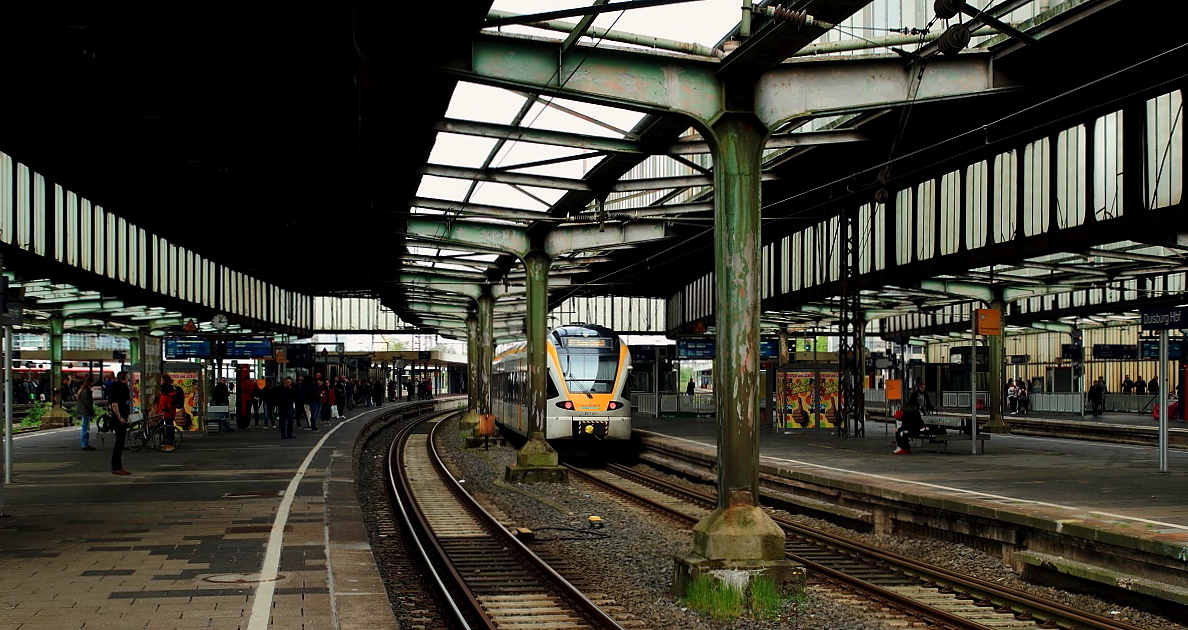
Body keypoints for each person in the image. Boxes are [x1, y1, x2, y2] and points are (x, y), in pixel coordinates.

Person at [108, 371, 132, 475]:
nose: (129, 379)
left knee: (120, 442)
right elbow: (114, 404)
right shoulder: (118, 389)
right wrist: (119, 417)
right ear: (123, 378)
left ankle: (117, 466)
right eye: (127, 377)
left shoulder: (121, 388)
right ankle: (117, 466)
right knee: (119, 443)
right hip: (119, 419)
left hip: (122, 417)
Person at [77, 376, 96, 451]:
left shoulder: (83, 390)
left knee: (85, 427)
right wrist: (92, 412)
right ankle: (84, 444)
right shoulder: (86, 391)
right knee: (85, 428)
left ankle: (85, 443)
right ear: (89, 382)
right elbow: (88, 403)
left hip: (84, 411)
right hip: (85, 411)